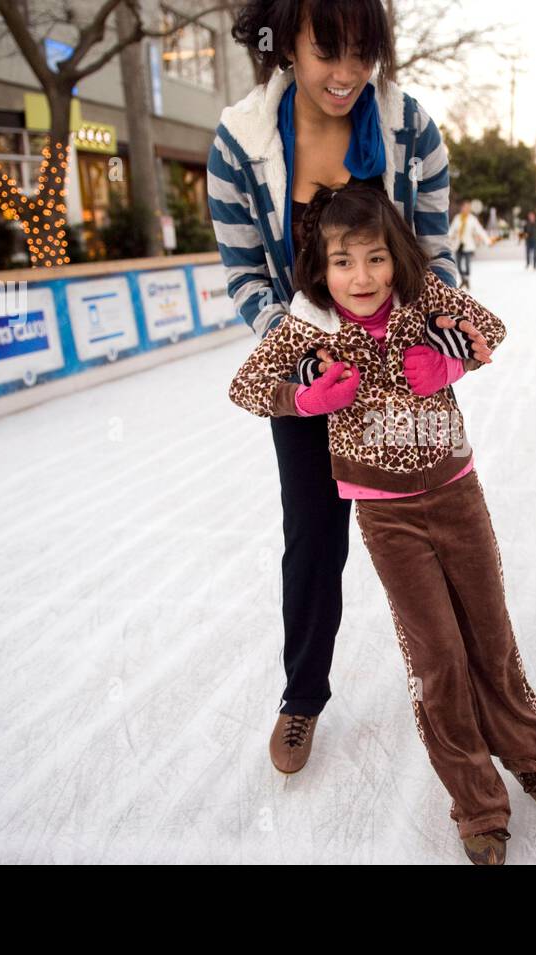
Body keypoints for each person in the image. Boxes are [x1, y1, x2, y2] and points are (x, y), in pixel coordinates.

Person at [228, 183, 536, 864]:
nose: (361, 277)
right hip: (388, 519)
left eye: (375, 258)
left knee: (491, 640)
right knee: (439, 659)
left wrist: (449, 361)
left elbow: (492, 332)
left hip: (457, 496)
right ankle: (478, 804)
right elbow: (245, 387)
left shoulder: (425, 303)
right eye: (342, 262)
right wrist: (305, 397)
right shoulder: (311, 325)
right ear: (320, 269)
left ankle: (533, 762)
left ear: (396, 256)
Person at [207, 0, 496, 775]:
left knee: (444, 534)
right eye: (326, 50)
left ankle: (479, 687)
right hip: (316, 376)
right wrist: (299, 361)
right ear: (287, 45)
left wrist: (446, 351)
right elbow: (242, 276)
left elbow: (434, 255)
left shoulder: (410, 132)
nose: (345, 73)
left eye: (363, 52)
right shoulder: (242, 142)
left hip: (402, 375)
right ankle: (302, 698)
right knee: (314, 540)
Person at [450, 199, 490, 290]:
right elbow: (451, 230)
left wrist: (487, 240)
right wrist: (446, 238)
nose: (466, 209)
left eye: (468, 208)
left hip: (468, 245)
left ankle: (466, 280)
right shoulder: (457, 218)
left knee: (467, 265)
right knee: (459, 265)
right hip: (458, 245)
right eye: (465, 207)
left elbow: (480, 230)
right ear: (462, 208)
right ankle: (464, 280)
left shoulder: (472, 219)